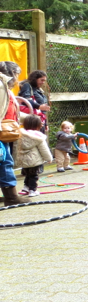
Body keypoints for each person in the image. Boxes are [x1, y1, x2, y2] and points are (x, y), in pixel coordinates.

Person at [0, 63, 28, 206]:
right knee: (5, 162)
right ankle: (11, 198)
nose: (18, 78)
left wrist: (28, 118)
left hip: (4, 132)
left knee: (4, 162)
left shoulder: (6, 88)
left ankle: (9, 196)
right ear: (12, 73)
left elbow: (10, 110)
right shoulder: (0, 86)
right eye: (17, 74)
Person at [14, 114, 53, 197]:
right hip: (34, 161)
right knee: (34, 176)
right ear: (37, 125)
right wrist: (49, 158)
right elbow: (44, 149)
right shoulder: (38, 136)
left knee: (28, 174)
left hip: (23, 160)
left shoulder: (20, 134)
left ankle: (25, 188)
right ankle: (32, 190)